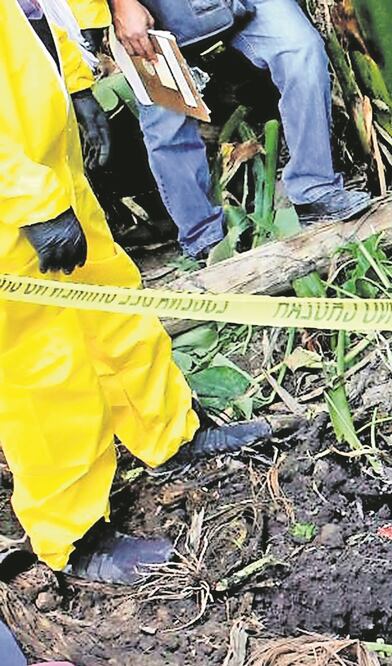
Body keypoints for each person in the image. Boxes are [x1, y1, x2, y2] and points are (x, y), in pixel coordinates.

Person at [1, 0, 267, 583]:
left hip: (49, 168)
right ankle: (73, 534)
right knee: (41, 365)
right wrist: (29, 201)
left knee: (116, 308)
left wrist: (75, 84)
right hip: (12, 201)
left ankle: (171, 432)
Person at [107, 0, 371, 259]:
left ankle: (315, 189)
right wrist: (122, 4)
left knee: (301, 50)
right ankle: (202, 236)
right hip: (151, 12)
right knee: (167, 124)